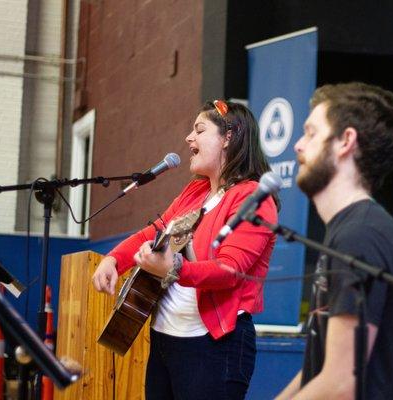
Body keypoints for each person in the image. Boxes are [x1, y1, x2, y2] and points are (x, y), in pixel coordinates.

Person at [92, 100, 278, 400]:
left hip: (214, 346)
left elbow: (229, 271)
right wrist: (114, 259)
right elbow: (154, 231)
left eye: (199, 130)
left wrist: (173, 269)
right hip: (165, 338)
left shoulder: (253, 198)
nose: (188, 138)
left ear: (229, 137)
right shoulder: (196, 190)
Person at [276, 82, 393, 399]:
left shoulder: (360, 236)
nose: (298, 146)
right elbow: (323, 370)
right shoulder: (351, 231)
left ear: (346, 141)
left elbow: (341, 384)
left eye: (311, 133)